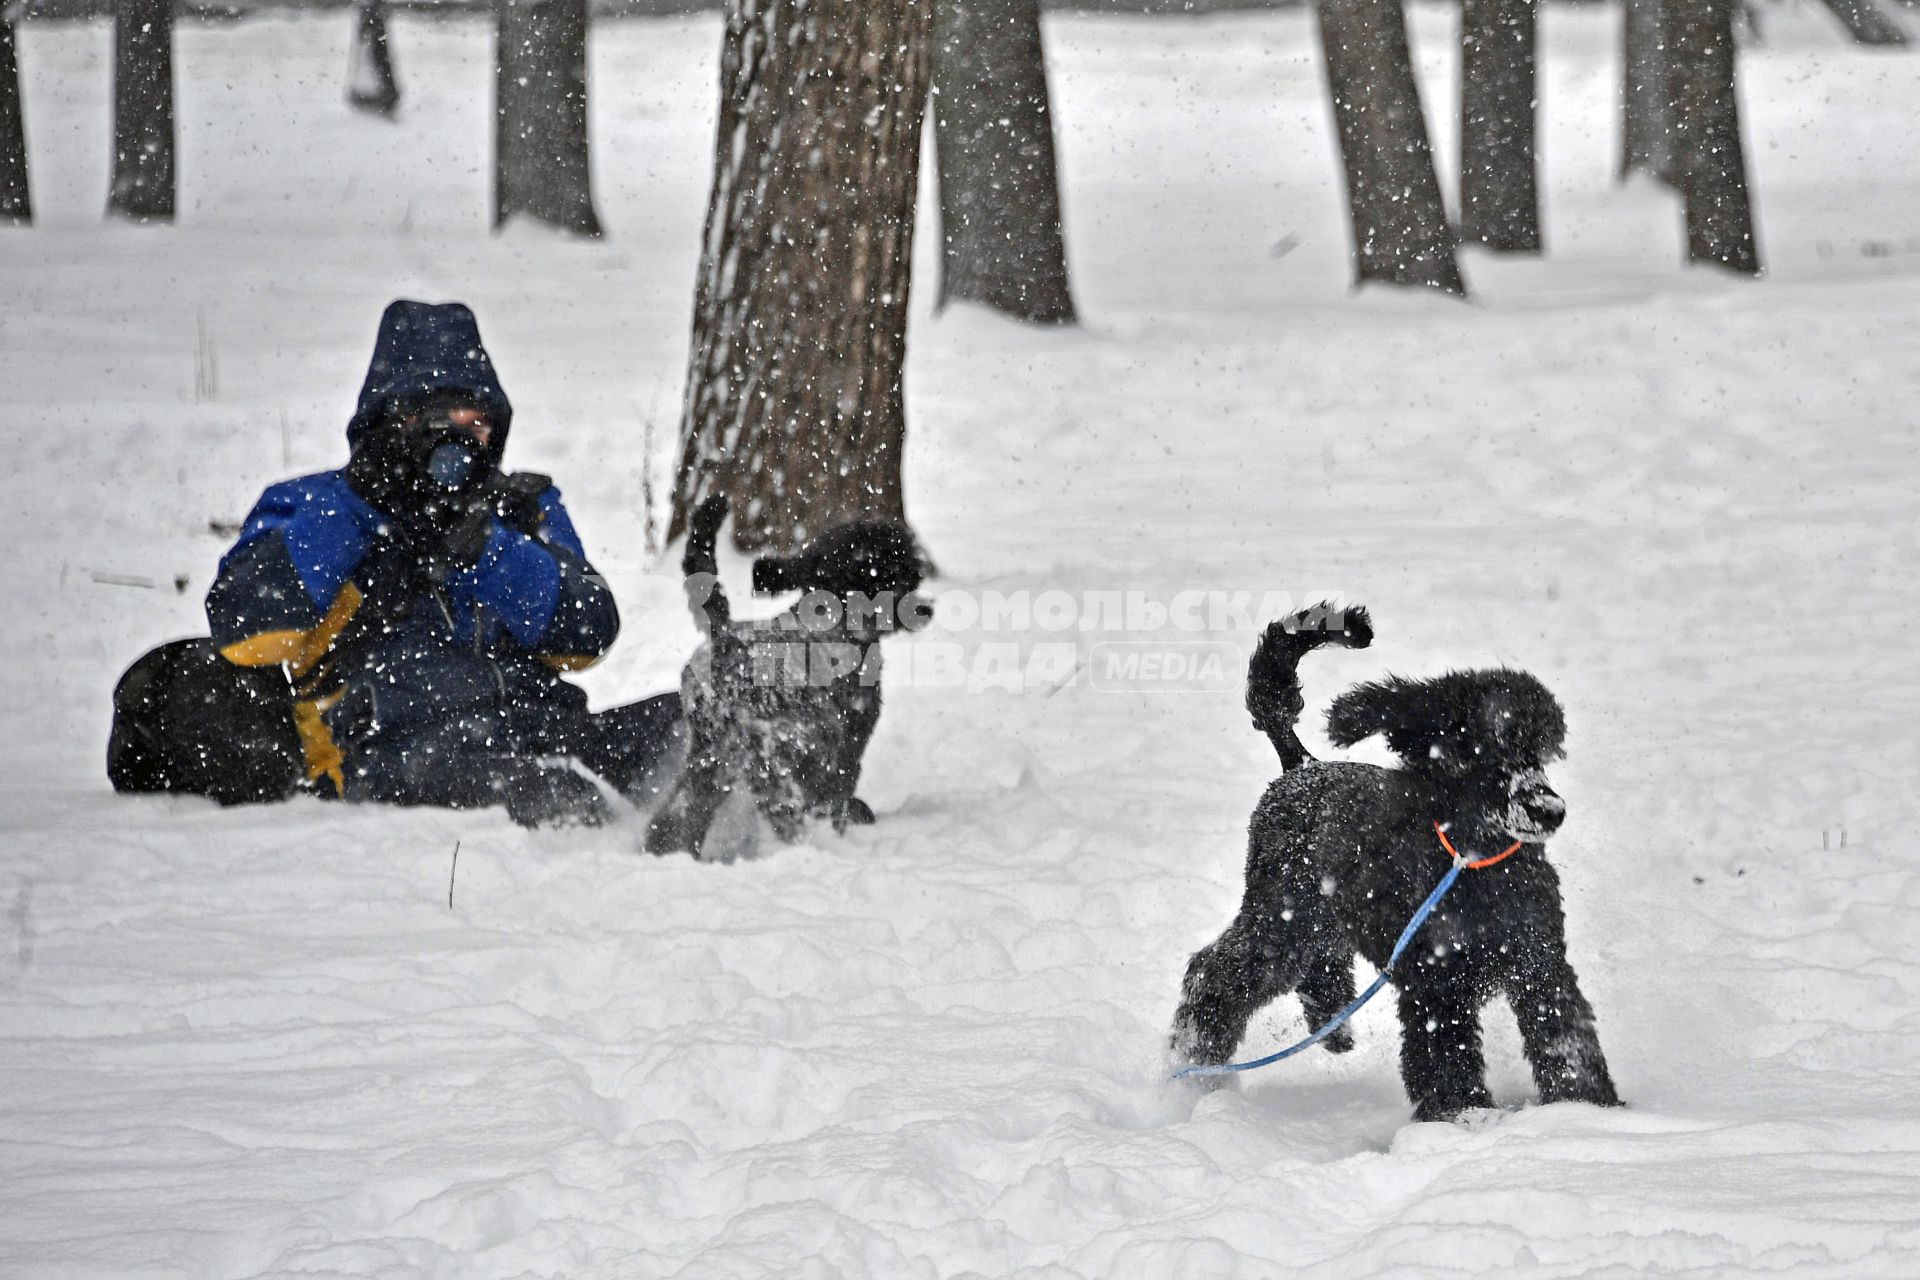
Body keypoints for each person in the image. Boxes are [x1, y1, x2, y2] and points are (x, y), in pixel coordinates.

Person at [109, 300, 680, 826]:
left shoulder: (519, 508)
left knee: (702, 725)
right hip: (390, 755)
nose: (459, 446)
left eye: (475, 425)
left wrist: (490, 551)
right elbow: (248, 628)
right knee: (547, 795)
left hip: (548, 733)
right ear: (393, 423)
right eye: (438, 424)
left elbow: (587, 633)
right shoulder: (312, 503)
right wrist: (361, 505)